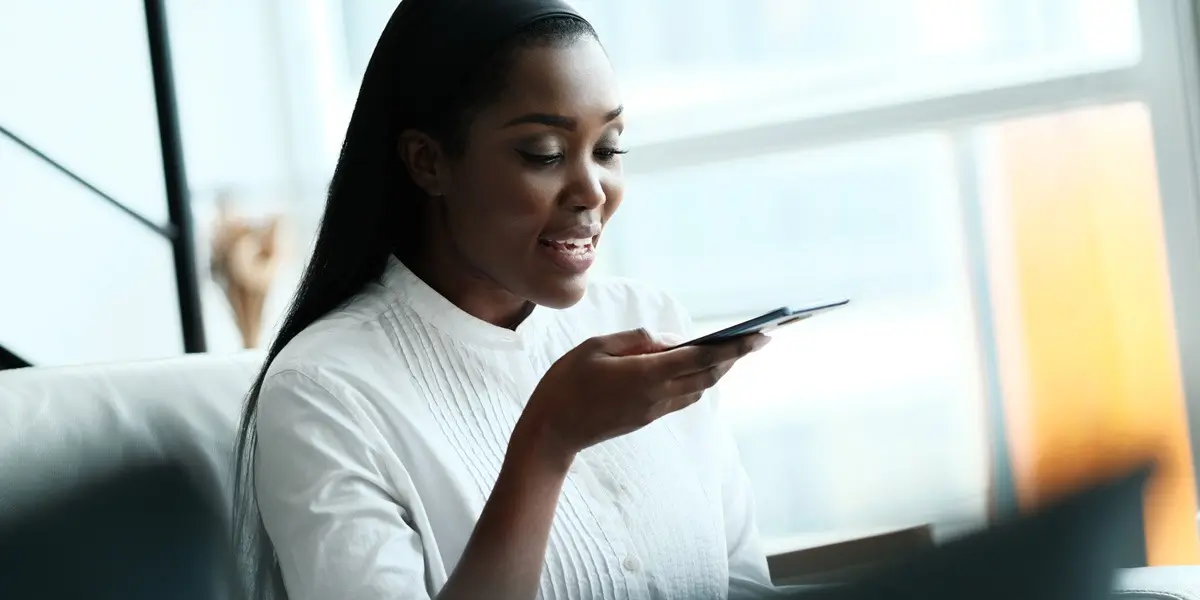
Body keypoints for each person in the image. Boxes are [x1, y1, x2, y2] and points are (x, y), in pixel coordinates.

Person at [232, 1, 780, 599]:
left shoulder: (648, 319)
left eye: (608, 149)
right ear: (428, 161)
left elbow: (743, 582)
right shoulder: (324, 392)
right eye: (545, 153)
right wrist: (547, 442)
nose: (593, 191)